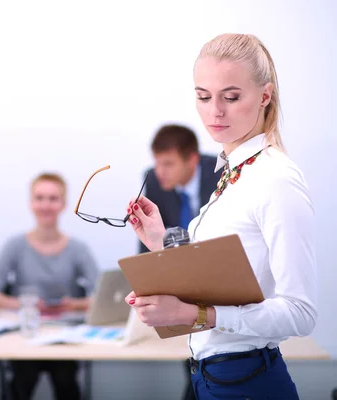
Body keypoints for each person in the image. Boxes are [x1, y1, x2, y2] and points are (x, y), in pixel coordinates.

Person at [125, 33, 317, 399]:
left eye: (231, 97)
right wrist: (158, 241)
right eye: (203, 96)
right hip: (213, 377)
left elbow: (300, 313)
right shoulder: (233, 173)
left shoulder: (275, 178)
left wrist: (191, 315)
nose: (215, 111)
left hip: (247, 381)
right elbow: (221, 278)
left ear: (264, 95)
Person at [0, 172, 99, 400]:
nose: (46, 205)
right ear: (31, 203)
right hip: (25, 335)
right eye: (40, 198)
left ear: (63, 204)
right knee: (22, 380)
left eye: (53, 198)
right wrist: (24, 304)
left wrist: (73, 305)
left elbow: (103, 296)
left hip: (65, 335)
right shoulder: (15, 245)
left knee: (65, 378)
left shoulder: (78, 248)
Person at [139, 124, 222, 254]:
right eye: (157, 162)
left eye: (168, 164)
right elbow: (148, 240)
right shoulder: (153, 181)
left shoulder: (221, 175)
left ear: (192, 160)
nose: (160, 172)